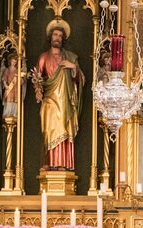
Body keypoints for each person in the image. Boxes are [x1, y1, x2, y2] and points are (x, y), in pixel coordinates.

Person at [32, 21, 85, 170]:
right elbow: (37, 77)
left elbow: (81, 79)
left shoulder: (70, 57)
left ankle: (63, 163)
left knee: (64, 128)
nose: (57, 38)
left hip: (65, 100)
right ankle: (49, 162)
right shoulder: (43, 57)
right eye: (55, 35)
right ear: (50, 37)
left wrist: (73, 67)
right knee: (49, 130)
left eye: (60, 36)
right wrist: (38, 90)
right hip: (50, 99)